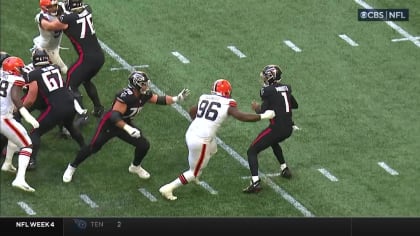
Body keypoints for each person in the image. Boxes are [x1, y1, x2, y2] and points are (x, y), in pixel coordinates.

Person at [62, 71, 190, 183]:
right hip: (110, 124)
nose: (146, 86)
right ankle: (72, 166)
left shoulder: (144, 94)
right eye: (144, 84)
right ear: (136, 85)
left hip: (125, 122)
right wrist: (128, 129)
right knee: (93, 147)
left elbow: (159, 99)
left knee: (143, 145)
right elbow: (114, 116)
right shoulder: (125, 96)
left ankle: (135, 167)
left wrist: (176, 98)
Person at [159, 79, 276, 201]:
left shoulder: (205, 97)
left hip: (191, 132)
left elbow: (192, 111)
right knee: (194, 172)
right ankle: (168, 188)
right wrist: (264, 116)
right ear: (227, 92)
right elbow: (242, 116)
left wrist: (200, 123)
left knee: (213, 149)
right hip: (201, 140)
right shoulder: (228, 103)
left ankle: (196, 169)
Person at [39, 0, 105, 126]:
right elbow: (68, 10)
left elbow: (48, 26)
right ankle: (98, 108)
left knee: (70, 84)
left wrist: (42, 17)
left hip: (87, 58)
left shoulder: (67, 18)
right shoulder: (87, 8)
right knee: (86, 80)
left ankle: (82, 114)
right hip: (99, 56)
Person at [23, 48, 86, 170]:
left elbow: (25, 81)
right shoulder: (56, 67)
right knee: (70, 126)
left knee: (35, 132)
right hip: (70, 103)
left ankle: (32, 161)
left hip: (57, 107)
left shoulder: (34, 74)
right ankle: (84, 146)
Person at [242, 64, 299, 194]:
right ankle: (284, 168)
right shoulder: (286, 88)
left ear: (270, 77)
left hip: (277, 129)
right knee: (273, 142)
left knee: (252, 151)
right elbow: (295, 105)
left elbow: (262, 111)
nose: (263, 78)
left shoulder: (267, 91)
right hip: (288, 128)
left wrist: (256, 108)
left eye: (265, 76)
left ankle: (255, 182)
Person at [0, 56, 39, 192]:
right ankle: (20, 179)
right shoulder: (16, 80)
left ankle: (7, 163)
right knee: (27, 144)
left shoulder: (2, 73)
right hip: (4, 118)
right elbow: (16, 97)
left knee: (15, 135)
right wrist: (28, 116)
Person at [34, 0, 68, 75]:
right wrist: (68, 23)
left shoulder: (61, 7)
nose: (55, 7)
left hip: (54, 46)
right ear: (45, 8)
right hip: (46, 49)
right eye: (51, 6)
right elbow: (50, 26)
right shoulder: (42, 17)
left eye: (55, 5)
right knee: (64, 70)